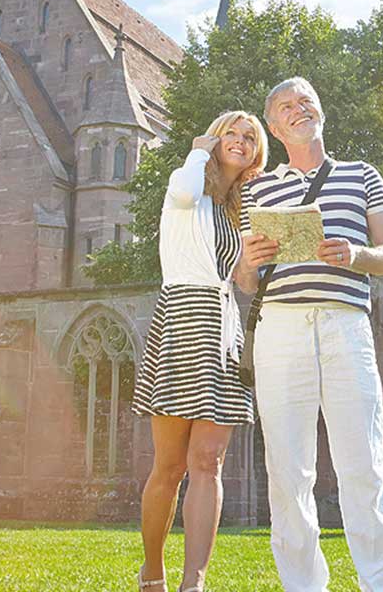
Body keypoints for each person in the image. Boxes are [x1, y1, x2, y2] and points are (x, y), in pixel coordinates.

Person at [236, 77, 383, 592]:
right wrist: (248, 261)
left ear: (320, 112)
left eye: (306, 101)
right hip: (281, 327)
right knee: (288, 473)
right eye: (285, 106)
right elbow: (246, 283)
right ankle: (303, 586)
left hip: (344, 325)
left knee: (365, 466)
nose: (298, 109)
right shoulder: (258, 190)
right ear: (273, 125)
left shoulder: (363, 176)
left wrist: (355, 255)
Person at [132, 110, 267, 592]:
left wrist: (255, 260)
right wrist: (197, 147)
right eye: (231, 132)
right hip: (183, 316)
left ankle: (195, 583)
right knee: (169, 465)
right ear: (215, 139)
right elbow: (188, 191)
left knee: (208, 461)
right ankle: (153, 573)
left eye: (249, 136)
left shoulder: (242, 210)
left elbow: (245, 282)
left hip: (224, 324)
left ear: (256, 151)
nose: (241, 140)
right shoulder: (185, 184)